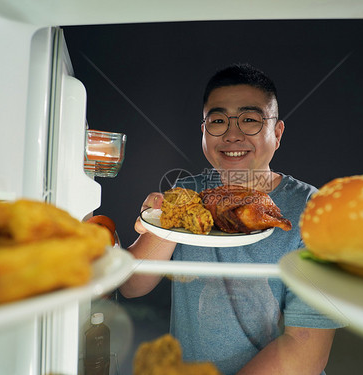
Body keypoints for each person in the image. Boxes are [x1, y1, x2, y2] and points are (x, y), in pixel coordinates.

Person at [120, 63, 344, 375]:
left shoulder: (314, 211)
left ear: (277, 133)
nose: (232, 135)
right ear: (203, 132)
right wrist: (161, 219)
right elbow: (132, 285)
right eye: (218, 121)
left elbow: (306, 350)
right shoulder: (186, 192)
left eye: (250, 120)